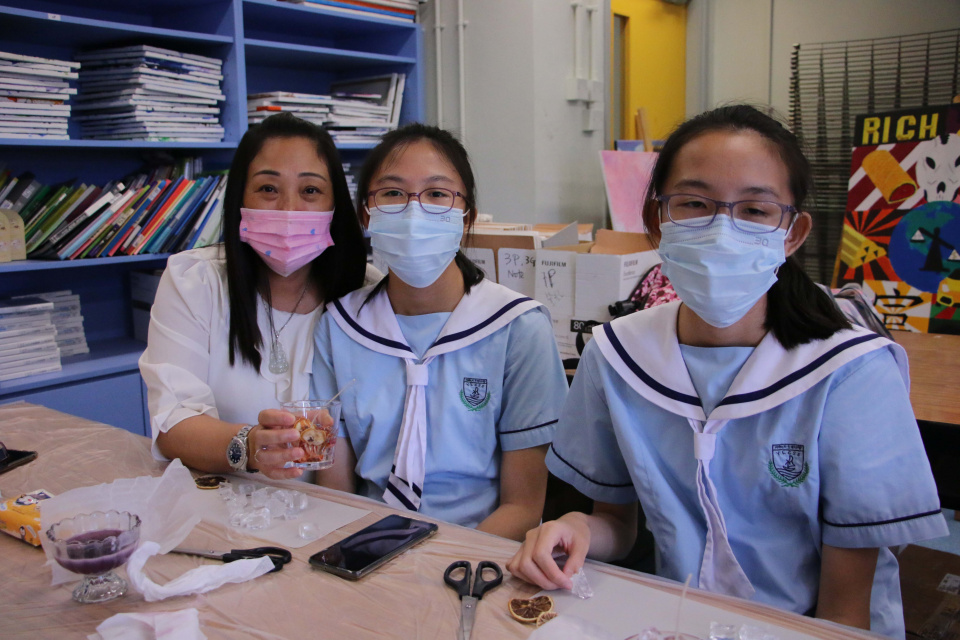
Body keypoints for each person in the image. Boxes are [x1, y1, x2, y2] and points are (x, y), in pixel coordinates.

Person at [507, 105, 947, 637]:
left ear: (793, 233)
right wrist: (576, 527)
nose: (721, 231)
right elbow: (619, 526)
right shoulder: (617, 353)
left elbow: (845, 612)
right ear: (657, 220)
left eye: (755, 209)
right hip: (676, 621)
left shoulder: (850, 372)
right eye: (694, 204)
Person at [309, 124, 568, 541]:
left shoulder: (518, 327)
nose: (414, 212)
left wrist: (444, 565)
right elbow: (336, 491)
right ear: (366, 214)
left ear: (466, 216)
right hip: (366, 541)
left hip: (480, 550)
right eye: (393, 193)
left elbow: (522, 508)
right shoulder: (340, 326)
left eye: (436, 194)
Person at [140, 113, 377, 479]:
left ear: (335, 206)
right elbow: (174, 426)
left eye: (310, 191)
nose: (288, 209)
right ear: (239, 197)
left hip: (333, 505)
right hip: (228, 501)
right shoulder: (195, 281)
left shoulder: (368, 293)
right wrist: (250, 447)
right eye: (268, 188)